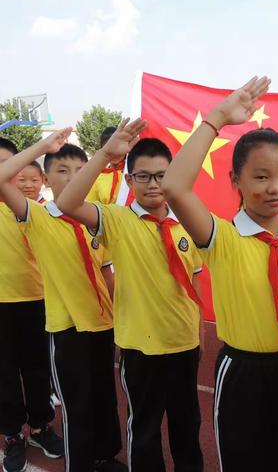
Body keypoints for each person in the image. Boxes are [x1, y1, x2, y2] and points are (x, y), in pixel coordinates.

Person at [162, 77, 278, 472]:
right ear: (235, 180)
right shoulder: (222, 238)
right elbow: (175, 187)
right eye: (262, 176)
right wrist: (216, 118)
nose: (276, 188)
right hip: (244, 375)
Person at [57, 125, 205, 472]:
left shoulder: (190, 223)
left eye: (162, 176)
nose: (154, 184)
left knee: (187, 426)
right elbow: (67, 203)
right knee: (145, 429)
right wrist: (106, 154)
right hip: (141, 349)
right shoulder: (116, 220)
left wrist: (200, 336)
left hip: (184, 345)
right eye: (144, 176)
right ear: (129, 178)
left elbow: (196, 286)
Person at [0, 131, 125, 472]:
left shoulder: (96, 220)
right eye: (62, 171)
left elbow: (106, 271)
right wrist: (43, 146)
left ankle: (105, 454)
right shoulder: (38, 218)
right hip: (67, 328)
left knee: (105, 396)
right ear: (46, 180)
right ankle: (80, 462)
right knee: (76, 403)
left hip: (102, 324)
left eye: (79, 171)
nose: (72, 178)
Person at [0, 138, 62, 472]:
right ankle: (12, 434)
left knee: (38, 370)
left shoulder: (37, 210)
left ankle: (40, 426)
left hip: (37, 301)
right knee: (4, 374)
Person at [86, 126, 124, 204]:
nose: (115, 153)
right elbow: (90, 205)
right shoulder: (96, 176)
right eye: (109, 148)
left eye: (118, 147)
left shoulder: (134, 175)